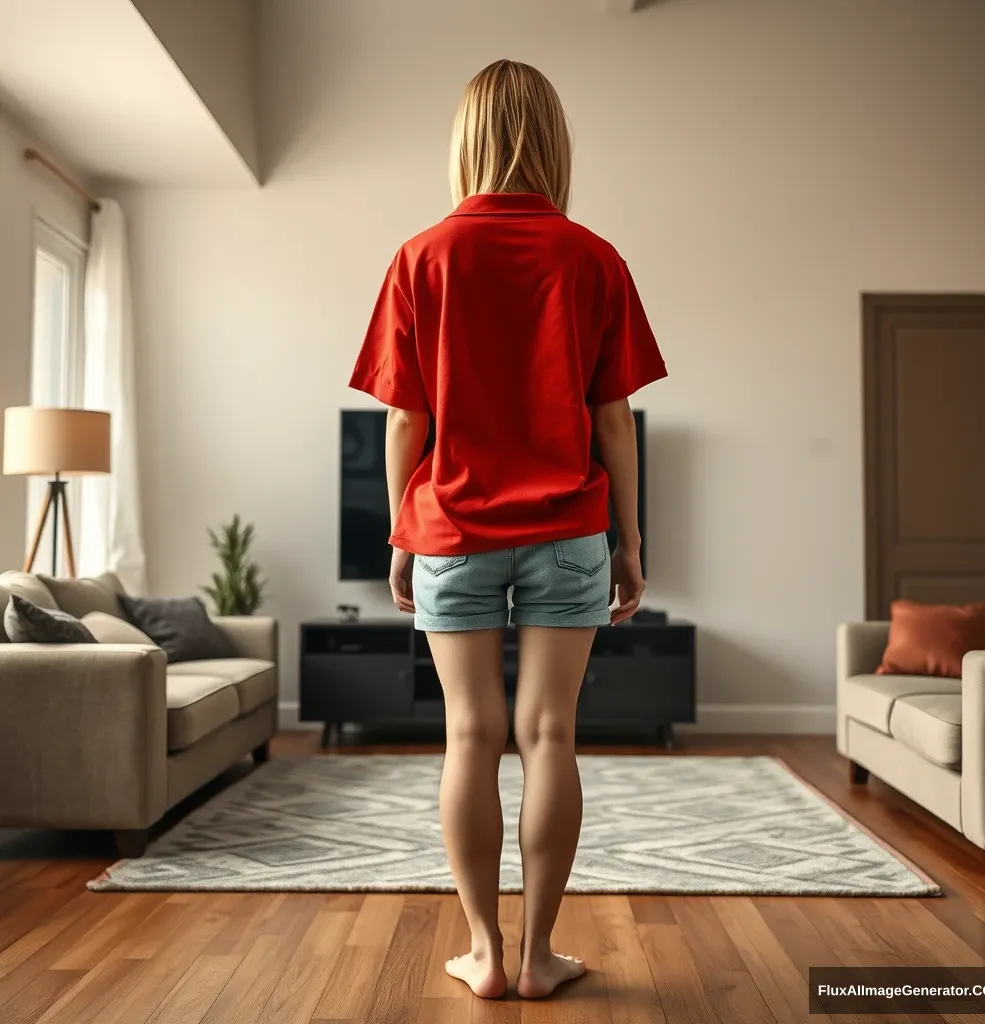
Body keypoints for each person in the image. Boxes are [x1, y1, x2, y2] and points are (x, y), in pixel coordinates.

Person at [349, 59, 666, 1001]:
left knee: (468, 736)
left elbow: (405, 422)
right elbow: (614, 422)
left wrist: (403, 533)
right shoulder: (593, 257)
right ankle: (539, 958)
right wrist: (630, 541)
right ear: (554, 143)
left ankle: (484, 955)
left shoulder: (420, 257)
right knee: (551, 735)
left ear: (466, 143)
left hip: (452, 529)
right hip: (570, 525)